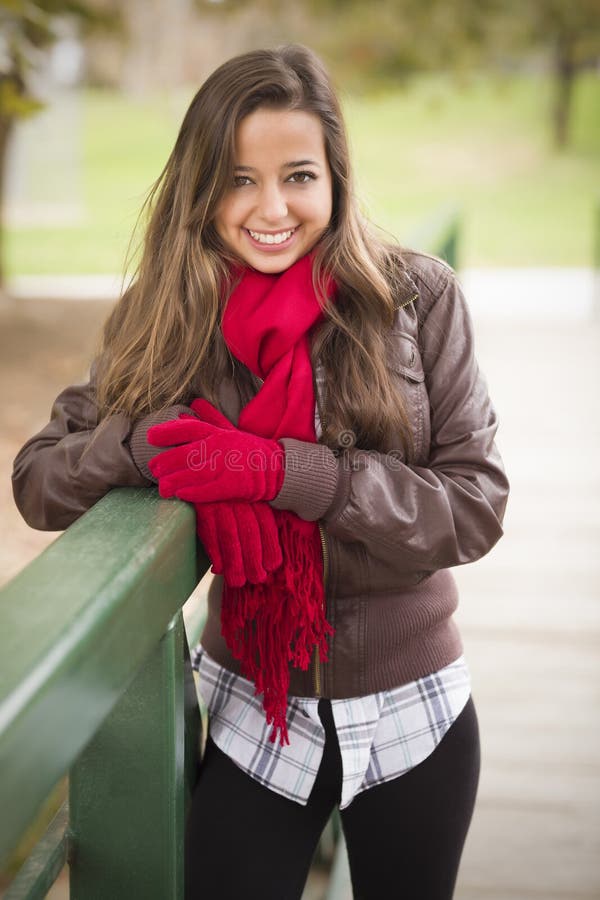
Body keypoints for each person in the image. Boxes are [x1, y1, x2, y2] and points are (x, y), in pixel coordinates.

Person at [12, 44, 509, 900]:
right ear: (199, 188)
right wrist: (141, 443)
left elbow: (474, 506)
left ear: (336, 181)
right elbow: (39, 481)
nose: (271, 208)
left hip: (414, 708)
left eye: (298, 176)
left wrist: (289, 471)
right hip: (251, 708)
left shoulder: (418, 300)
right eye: (238, 179)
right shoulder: (164, 318)